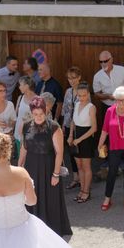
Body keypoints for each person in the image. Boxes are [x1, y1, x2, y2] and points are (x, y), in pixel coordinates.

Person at [18, 96, 73, 236]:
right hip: (31, 166)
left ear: (46, 111)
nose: (38, 117)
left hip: (48, 167)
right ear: (31, 113)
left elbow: (59, 152)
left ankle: (52, 230)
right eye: (35, 114)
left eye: (41, 113)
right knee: (31, 195)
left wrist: (55, 174)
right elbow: (24, 147)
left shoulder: (54, 127)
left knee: (50, 198)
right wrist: (19, 166)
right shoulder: (25, 126)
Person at [68, 82, 97, 203]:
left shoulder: (91, 107)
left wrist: (80, 139)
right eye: (79, 95)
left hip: (86, 139)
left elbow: (94, 128)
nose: (81, 98)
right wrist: (70, 135)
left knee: (86, 166)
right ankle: (81, 190)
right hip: (75, 137)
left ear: (88, 94)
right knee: (79, 166)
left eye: (84, 95)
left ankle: (86, 191)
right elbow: (73, 122)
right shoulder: (76, 104)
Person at [61, 66, 82, 190]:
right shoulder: (68, 91)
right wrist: (63, 125)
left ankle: (82, 178)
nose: (72, 81)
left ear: (79, 78)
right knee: (71, 153)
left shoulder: (83, 91)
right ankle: (75, 178)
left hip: (79, 126)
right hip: (68, 125)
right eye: (69, 78)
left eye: (74, 78)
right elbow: (64, 109)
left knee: (79, 153)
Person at [14, 76, 37, 160]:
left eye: (20, 85)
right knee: (21, 159)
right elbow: (16, 114)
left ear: (27, 86)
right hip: (18, 133)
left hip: (31, 135)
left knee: (30, 159)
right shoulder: (20, 98)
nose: (19, 87)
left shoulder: (37, 100)